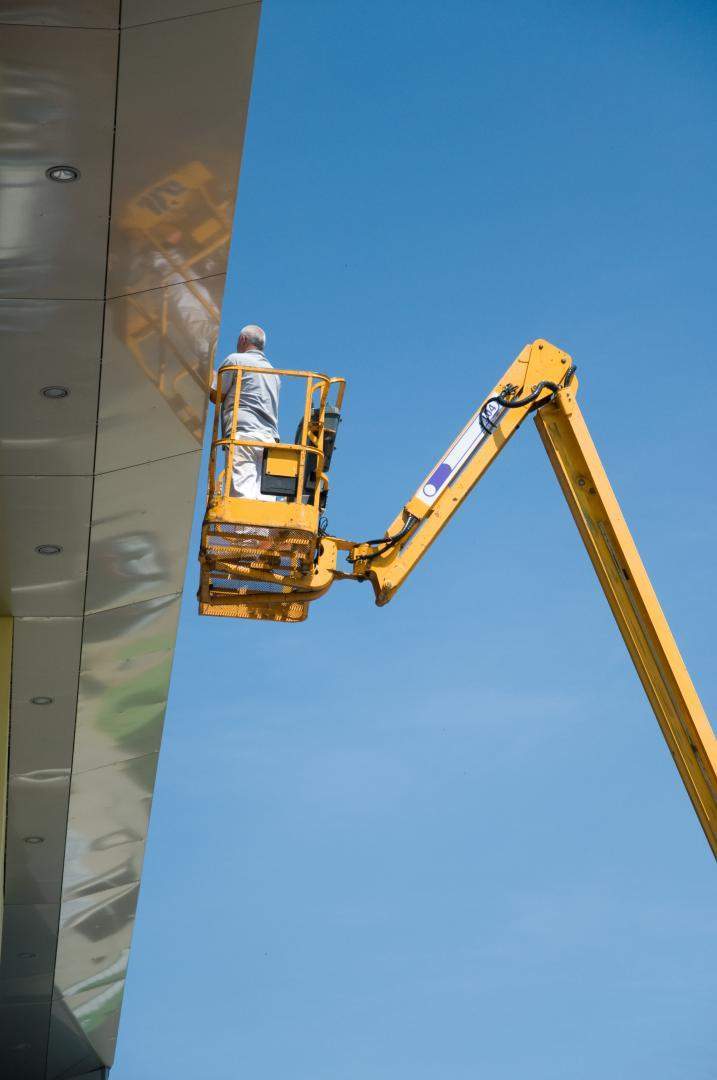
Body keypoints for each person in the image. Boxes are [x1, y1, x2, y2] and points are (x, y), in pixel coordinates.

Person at [211, 324, 280, 498]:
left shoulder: (235, 360)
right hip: (269, 440)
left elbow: (216, 396)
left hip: (243, 435)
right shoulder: (273, 373)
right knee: (265, 496)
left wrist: (205, 372)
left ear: (242, 340)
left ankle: (243, 527)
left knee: (242, 493)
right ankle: (264, 527)